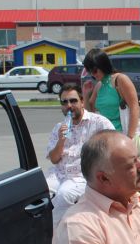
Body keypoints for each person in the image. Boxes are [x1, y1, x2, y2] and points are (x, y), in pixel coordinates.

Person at [45, 83, 114, 228]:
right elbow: (54, 159)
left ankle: (54, 235)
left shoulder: (99, 123)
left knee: (64, 195)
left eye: (73, 101)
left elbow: (114, 148)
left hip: (82, 175)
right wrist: (61, 141)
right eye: (64, 102)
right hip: (58, 174)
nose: (69, 106)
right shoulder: (59, 127)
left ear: (82, 102)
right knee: (37, 193)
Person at [82, 48, 140, 139]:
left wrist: (130, 137)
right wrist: (85, 95)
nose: (93, 74)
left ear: (103, 65)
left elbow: (134, 107)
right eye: (89, 71)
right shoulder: (99, 85)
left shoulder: (120, 79)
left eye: (94, 70)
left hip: (122, 134)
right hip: (105, 136)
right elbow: (90, 114)